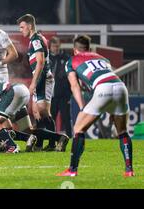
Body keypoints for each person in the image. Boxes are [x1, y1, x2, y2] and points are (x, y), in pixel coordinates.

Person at [57, 35, 134, 177]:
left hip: (103, 88)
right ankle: (129, 170)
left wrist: (81, 107)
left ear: (75, 50)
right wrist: (112, 111)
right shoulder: (102, 58)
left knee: (78, 129)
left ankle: (72, 170)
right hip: (120, 87)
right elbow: (106, 77)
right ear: (89, 48)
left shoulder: (72, 61)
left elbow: (74, 86)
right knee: (122, 131)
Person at [17, 14, 69, 151]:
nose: (20, 30)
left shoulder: (36, 40)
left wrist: (34, 83)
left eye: (22, 27)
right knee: (37, 112)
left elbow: (40, 62)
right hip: (40, 77)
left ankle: (54, 142)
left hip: (43, 77)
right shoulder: (36, 39)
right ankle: (41, 144)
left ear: (29, 26)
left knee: (43, 111)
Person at [49, 37, 72, 137]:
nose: (56, 48)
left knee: (66, 117)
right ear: (50, 47)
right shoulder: (46, 58)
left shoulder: (66, 58)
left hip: (63, 94)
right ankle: (52, 137)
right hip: (51, 95)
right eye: (54, 46)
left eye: (57, 46)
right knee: (51, 118)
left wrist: (70, 94)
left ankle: (70, 137)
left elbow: (70, 77)